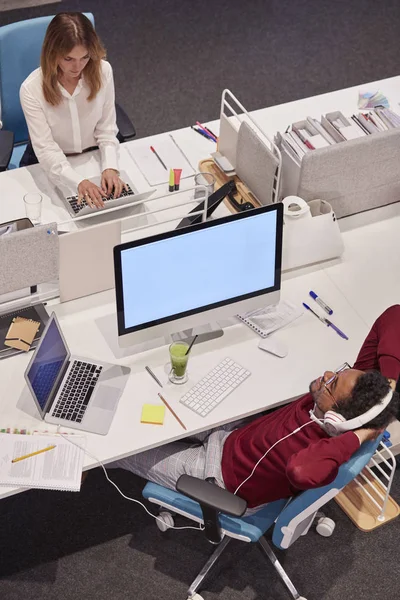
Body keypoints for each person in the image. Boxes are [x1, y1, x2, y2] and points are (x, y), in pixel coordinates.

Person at [112, 305, 400, 509]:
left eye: (333, 384)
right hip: (237, 435)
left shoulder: (319, 453)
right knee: (157, 401)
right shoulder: (353, 395)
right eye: (338, 372)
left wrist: (361, 434)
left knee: (121, 449)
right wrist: (388, 385)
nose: (327, 374)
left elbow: (300, 471)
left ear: (337, 419)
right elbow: (394, 316)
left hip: (222, 477)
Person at [20, 12, 125, 209]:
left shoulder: (103, 71)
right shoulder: (31, 89)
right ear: (52, 53)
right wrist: (78, 182)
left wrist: (110, 166)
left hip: (94, 156)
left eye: (84, 57)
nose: (78, 67)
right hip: (53, 165)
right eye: (68, 59)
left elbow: (106, 127)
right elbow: (46, 148)